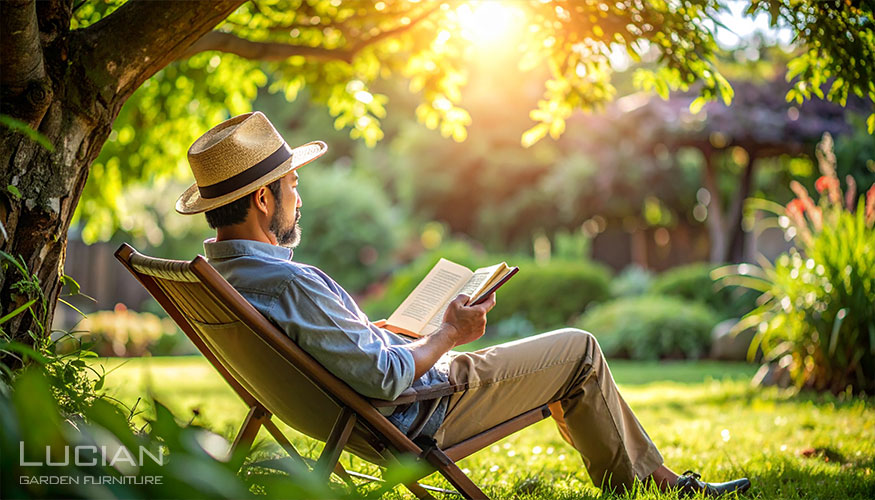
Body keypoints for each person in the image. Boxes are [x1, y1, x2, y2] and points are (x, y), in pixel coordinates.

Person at [176, 111, 751, 497]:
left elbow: (332, 356)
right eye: (293, 185)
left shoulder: (226, 278)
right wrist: (448, 332)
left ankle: (649, 474)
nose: (299, 196)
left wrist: (365, 331)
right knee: (578, 351)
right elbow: (382, 378)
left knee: (556, 363)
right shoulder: (290, 283)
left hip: (355, 422)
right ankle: (651, 485)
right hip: (416, 414)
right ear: (261, 197)